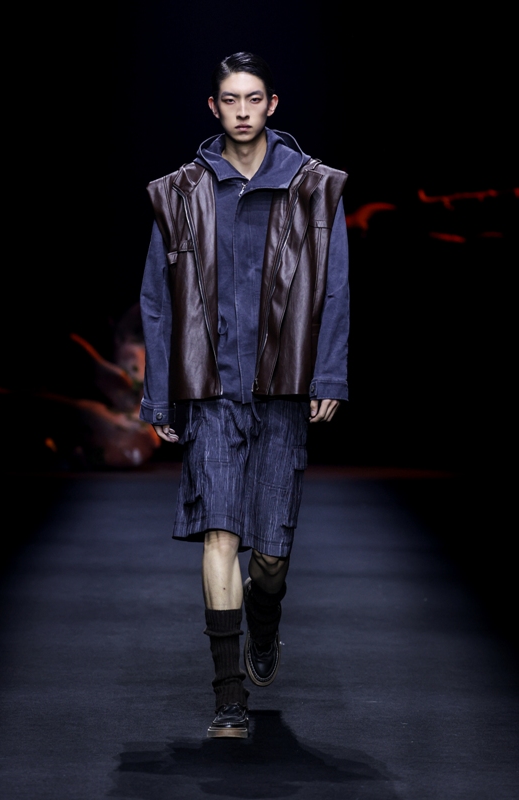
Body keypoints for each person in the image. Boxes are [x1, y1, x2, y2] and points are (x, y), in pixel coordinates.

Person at [140, 52, 349, 738]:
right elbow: (156, 300)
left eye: (252, 98)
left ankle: (265, 612)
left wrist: (328, 375)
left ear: (271, 104)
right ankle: (228, 697)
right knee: (220, 534)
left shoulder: (314, 187)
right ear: (213, 107)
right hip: (212, 388)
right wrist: (159, 394)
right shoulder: (179, 193)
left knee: (270, 555)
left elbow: (335, 289)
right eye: (229, 99)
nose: (241, 111)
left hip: (284, 386)